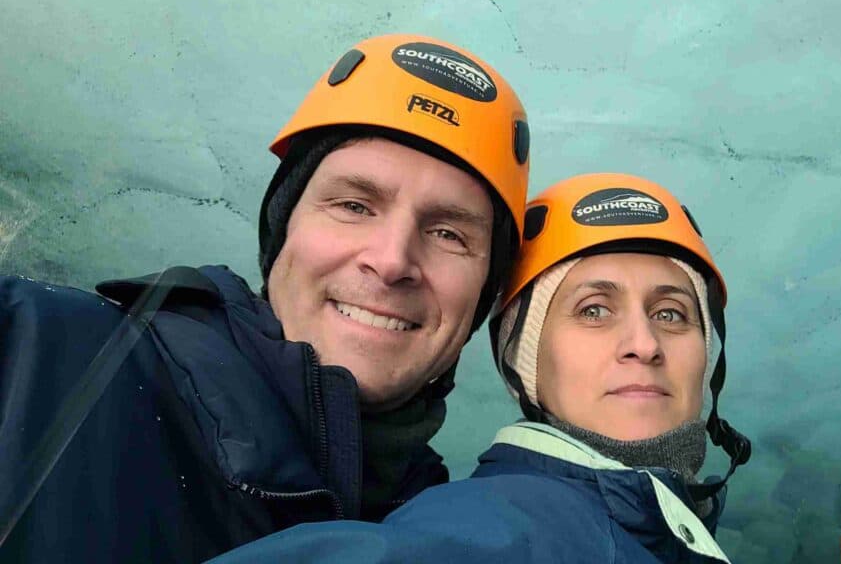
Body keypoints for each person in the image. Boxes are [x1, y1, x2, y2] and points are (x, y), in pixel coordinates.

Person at [0, 33, 529, 563]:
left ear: (483, 297)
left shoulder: (453, 534)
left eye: (448, 234)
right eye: (353, 205)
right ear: (282, 231)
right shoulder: (33, 352)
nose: (391, 261)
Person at [207, 172, 751, 564]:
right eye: (593, 310)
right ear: (522, 360)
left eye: (671, 314)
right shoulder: (510, 525)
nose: (644, 343)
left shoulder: (637, 528)